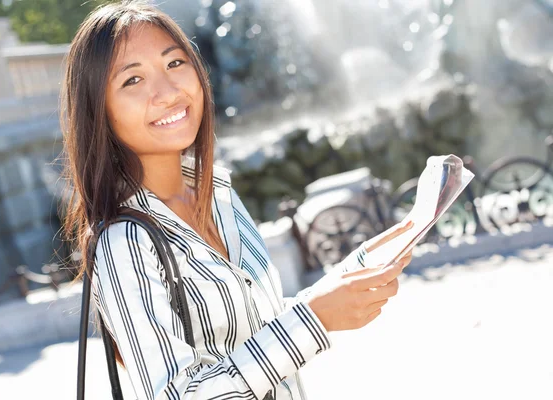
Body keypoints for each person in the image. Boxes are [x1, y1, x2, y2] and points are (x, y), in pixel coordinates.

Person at [61, 1, 414, 399]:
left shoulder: (219, 193)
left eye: (174, 63)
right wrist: (314, 319)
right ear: (99, 112)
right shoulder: (124, 243)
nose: (167, 91)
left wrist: (349, 277)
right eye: (132, 81)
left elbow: (248, 325)